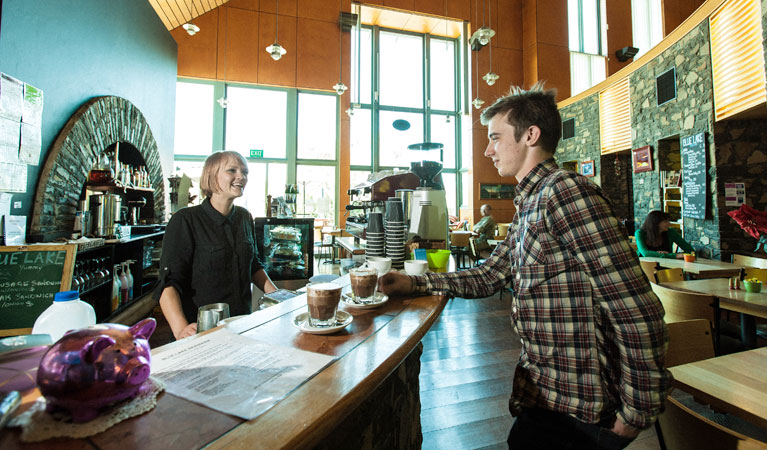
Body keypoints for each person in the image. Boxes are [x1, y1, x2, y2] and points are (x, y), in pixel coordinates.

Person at [378, 83, 672, 449]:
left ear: (530, 134)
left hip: (581, 410)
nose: (488, 150)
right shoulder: (531, 201)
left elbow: (634, 307)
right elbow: (490, 274)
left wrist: (638, 410)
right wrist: (413, 284)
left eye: (496, 137)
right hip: (545, 395)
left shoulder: (564, 191)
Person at [155, 151, 277, 340]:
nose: (241, 177)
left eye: (245, 172)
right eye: (232, 170)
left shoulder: (244, 217)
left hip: (241, 326)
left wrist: (280, 297)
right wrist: (181, 329)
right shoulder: (186, 220)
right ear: (212, 176)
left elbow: (253, 265)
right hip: (202, 332)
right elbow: (168, 284)